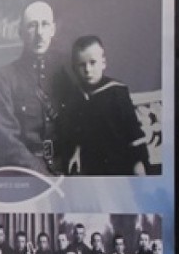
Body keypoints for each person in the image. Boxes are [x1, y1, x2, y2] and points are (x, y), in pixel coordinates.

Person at [0, 0, 73, 175]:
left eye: (45, 24)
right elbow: (6, 141)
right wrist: (42, 174)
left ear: (53, 30)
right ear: (21, 32)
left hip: (67, 165)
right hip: (24, 171)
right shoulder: (5, 77)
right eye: (32, 26)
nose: (39, 33)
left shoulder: (67, 69)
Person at [63, 35, 149, 176]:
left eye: (92, 63)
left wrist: (139, 165)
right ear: (74, 68)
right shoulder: (76, 96)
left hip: (120, 163)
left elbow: (133, 131)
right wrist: (76, 151)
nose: (87, 70)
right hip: (91, 166)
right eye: (81, 65)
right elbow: (77, 130)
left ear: (103, 63)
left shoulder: (116, 92)